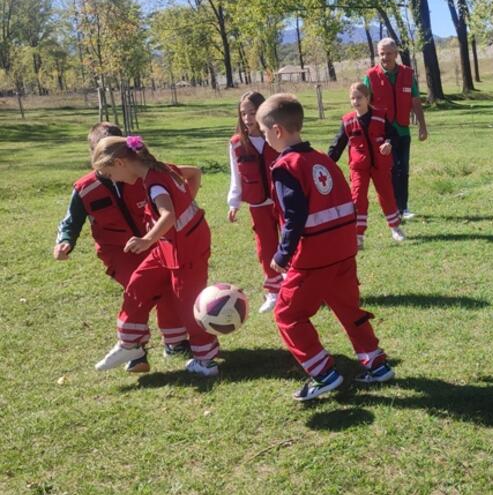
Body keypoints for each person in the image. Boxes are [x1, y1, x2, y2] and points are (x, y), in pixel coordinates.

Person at [256, 93, 394, 401]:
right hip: (343, 250)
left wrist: (282, 255)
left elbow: (294, 216)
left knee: (287, 315)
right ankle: (377, 364)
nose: (264, 139)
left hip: (313, 257)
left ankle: (323, 373)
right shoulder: (322, 159)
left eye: (264, 133)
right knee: (348, 309)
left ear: (277, 131)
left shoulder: (286, 167)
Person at [54, 122, 188, 372]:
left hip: (152, 242)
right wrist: (65, 241)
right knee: (141, 289)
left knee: (168, 287)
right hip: (118, 252)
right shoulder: (85, 188)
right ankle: (136, 353)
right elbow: (71, 220)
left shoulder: (140, 176)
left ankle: (175, 341)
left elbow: (180, 178)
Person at [90, 135, 220, 377]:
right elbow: (195, 174)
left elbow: (168, 215)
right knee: (139, 282)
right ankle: (129, 344)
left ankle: (206, 360)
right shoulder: (161, 167)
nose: (113, 180)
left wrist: (147, 239)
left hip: (185, 249)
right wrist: (185, 202)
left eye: (109, 174)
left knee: (187, 301)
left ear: (120, 163)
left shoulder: (154, 181)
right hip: (169, 244)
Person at [328, 82, 404, 248]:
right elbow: (338, 145)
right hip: (358, 167)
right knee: (358, 198)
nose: (356, 101)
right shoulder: (347, 121)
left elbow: (394, 135)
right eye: (353, 98)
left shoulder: (380, 115)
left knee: (387, 195)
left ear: (367, 98)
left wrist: (389, 143)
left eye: (359, 97)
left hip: (380, 165)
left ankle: (395, 228)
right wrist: (327, 162)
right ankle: (358, 235)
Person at [227, 91, 282, 313]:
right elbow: (235, 174)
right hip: (258, 203)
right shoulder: (236, 144)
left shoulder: (277, 136)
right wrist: (234, 202)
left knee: (292, 242)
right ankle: (273, 291)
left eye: (253, 112)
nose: (248, 118)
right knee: (265, 247)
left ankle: (297, 284)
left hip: (282, 201)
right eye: (244, 114)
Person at [363, 38, 428, 220]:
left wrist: (422, 126)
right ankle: (391, 209)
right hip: (382, 135)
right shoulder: (371, 76)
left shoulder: (408, 74)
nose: (385, 57)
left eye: (389, 53)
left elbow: (415, 101)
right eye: (382, 53)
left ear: (396, 54)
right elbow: (364, 105)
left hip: (403, 131)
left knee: (403, 169)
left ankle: (403, 207)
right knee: (389, 171)